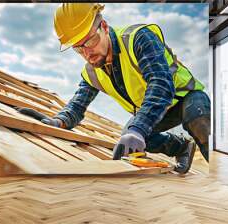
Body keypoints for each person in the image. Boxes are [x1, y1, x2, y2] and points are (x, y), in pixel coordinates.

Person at [42, 3, 210, 174]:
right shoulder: (91, 72)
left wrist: (138, 127)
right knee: (132, 138)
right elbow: (77, 106)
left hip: (184, 97)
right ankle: (181, 147)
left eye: (90, 41)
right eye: (78, 48)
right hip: (155, 112)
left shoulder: (138, 38)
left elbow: (161, 83)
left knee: (198, 119)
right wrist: (59, 121)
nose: (87, 54)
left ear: (105, 27)